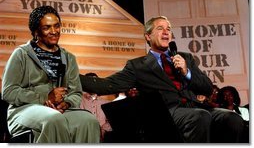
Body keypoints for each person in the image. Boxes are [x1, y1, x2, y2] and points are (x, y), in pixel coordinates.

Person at [80, 16, 244, 143]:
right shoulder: (138, 66)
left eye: (169, 29)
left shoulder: (185, 57)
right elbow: (106, 86)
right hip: (167, 113)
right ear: (148, 36)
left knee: (232, 118)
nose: (166, 32)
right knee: (199, 117)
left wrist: (186, 71)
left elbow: (207, 88)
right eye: (160, 28)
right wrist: (70, 74)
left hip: (196, 107)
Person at [1, 5, 100, 143]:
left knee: (88, 121)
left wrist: (65, 104)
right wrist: (44, 98)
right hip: (24, 110)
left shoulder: (68, 57)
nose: (54, 31)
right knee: (53, 119)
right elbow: (8, 92)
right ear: (36, 31)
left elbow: (76, 92)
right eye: (46, 27)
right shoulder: (21, 54)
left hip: (59, 110)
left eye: (57, 26)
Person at [80, 72, 112, 142]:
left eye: (95, 82)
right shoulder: (78, 101)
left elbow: (110, 121)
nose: (93, 84)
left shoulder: (106, 103)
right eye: (90, 81)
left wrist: (104, 130)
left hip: (102, 140)